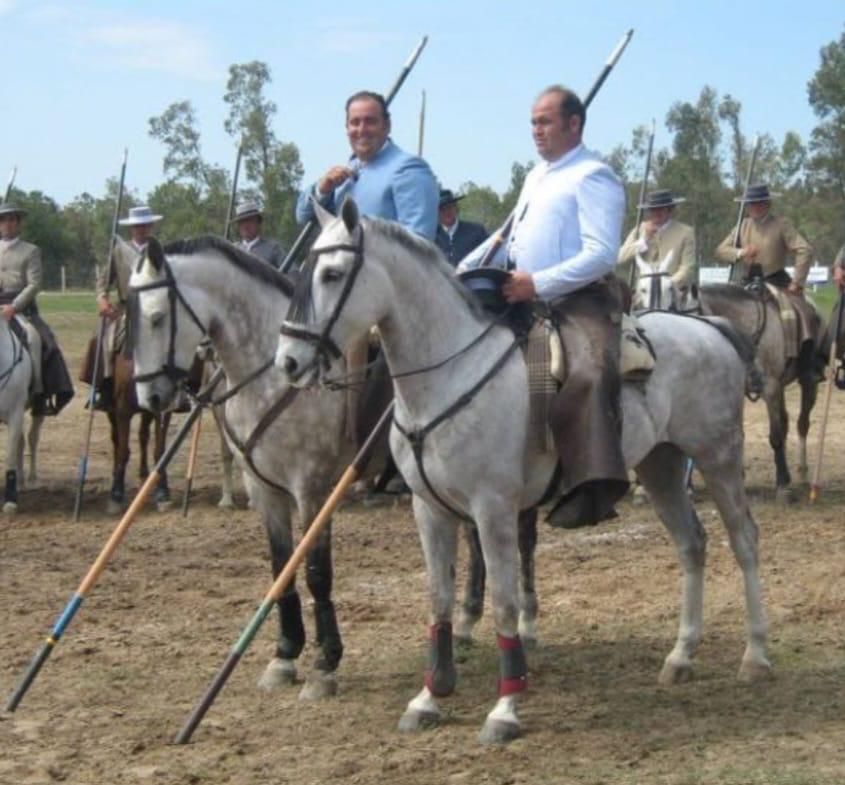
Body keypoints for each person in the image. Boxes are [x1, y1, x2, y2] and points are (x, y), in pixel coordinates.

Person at [459, 85, 628, 528]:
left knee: (590, 371)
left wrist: (539, 283)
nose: (536, 130)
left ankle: (590, 482)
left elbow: (601, 254)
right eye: (534, 122)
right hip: (522, 296)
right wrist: (461, 270)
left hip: (581, 301)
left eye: (545, 121)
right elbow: (509, 237)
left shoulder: (594, 176)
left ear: (574, 123)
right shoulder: (536, 176)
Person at [296, 90, 438, 240]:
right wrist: (322, 190)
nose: (362, 130)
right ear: (347, 128)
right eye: (355, 122)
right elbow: (303, 216)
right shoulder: (342, 176)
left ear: (387, 126)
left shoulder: (408, 169)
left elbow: (418, 243)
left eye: (370, 122)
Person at [714, 183, 821, 380]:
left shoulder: (781, 224)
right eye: (751, 204)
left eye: (759, 203)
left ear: (767, 204)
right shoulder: (742, 225)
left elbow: (804, 249)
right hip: (746, 282)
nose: (755, 207)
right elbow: (721, 250)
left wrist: (797, 282)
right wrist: (741, 252)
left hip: (776, 280)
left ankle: (807, 364)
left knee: (804, 313)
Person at [0, 204, 73, 415]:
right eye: (3, 220)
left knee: (36, 339)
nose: (7, 224)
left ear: (18, 223)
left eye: (12, 220)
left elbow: (34, 285)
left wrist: (14, 307)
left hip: (21, 308)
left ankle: (38, 392)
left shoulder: (31, 250)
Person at [87, 205, 162, 408]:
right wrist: (102, 299)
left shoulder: (159, 250)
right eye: (138, 226)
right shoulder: (119, 251)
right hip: (126, 308)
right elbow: (103, 281)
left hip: (155, 307)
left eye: (145, 225)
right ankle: (104, 384)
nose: (142, 230)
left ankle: (179, 389)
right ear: (131, 228)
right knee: (103, 337)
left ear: (151, 226)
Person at [617, 189, 696, 296]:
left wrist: (667, 285)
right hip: (642, 294)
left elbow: (687, 268)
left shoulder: (686, 232)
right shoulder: (639, 230)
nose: (656, 213)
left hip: (673, 294)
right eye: (653, 209)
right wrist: (644, 240)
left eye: (661, 209)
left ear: (669, 210)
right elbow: (620, 258)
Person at [435, 189, 489, 266]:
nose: (447, 212)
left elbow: (489, 253)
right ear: (436, 212)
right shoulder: (432, 235)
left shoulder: (476, 231)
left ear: (456, 208)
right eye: (442, 209)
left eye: (449, 207)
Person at [232, 201, 286, 269]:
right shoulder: (232, 249)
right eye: (242, 222)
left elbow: (293, 273)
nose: (245, 226)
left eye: (249, 221)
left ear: (258, 223)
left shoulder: (273, 249)